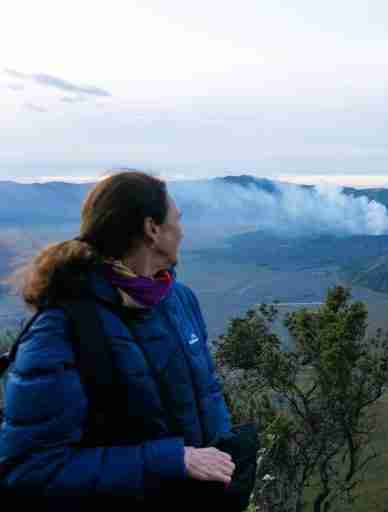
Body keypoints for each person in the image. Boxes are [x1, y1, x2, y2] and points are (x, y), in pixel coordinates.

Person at [0, 171, 255, 510]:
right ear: (152, 230)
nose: (183, 231)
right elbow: (29, 471)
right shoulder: (60, 329)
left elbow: (207, 392)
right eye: (177, 220)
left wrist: (223, 460)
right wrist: (173, 460)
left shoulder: (179, 300)